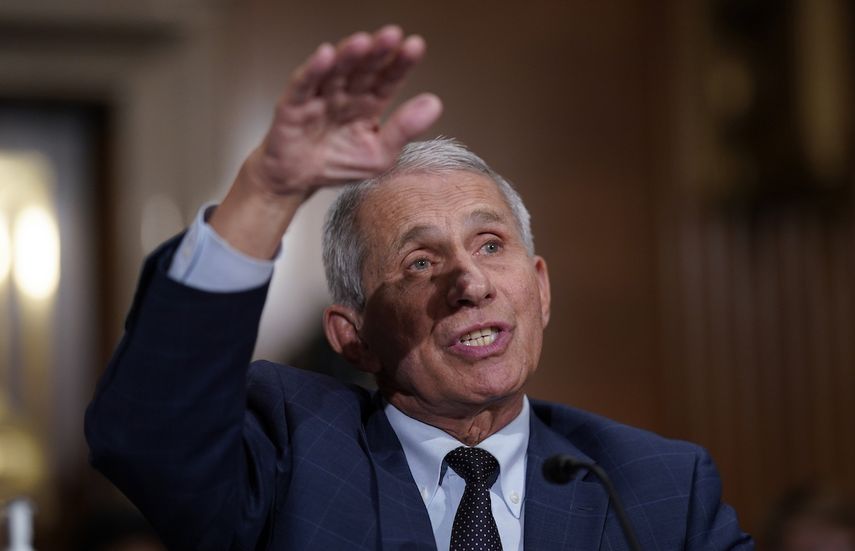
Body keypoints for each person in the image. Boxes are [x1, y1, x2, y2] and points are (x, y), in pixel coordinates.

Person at [85, 25, 753, 550]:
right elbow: (147, 432)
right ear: (353, 337)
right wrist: (268, 192)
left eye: (490, 244)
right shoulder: (291, 450)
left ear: (540, 290)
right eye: (419, 263)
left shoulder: (656, 486)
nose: (469, 280)